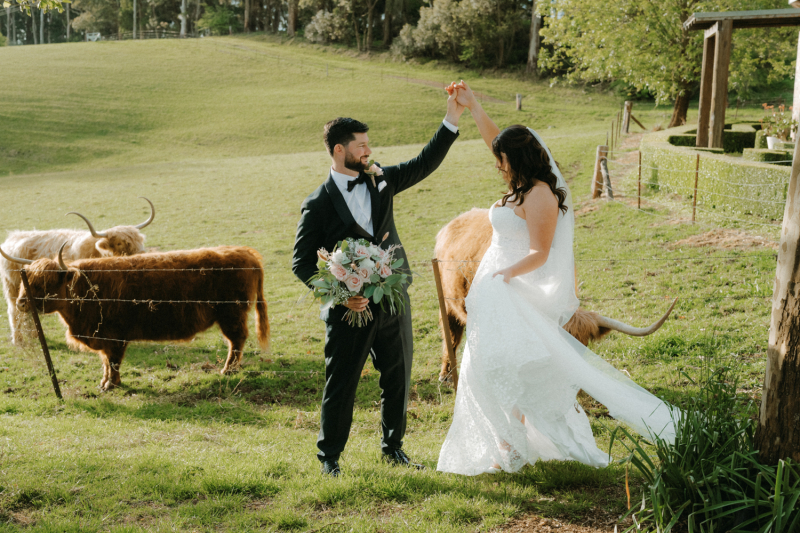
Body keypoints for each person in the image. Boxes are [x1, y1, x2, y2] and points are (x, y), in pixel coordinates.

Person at [437, 82, 676, 476]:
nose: (497, 164)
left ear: (517, 160)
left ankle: (510, 447)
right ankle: (507, 443)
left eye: (502, 160)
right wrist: (473, 106)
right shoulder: (519, 185)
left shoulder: (542, 195)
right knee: (484, 368)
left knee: (507, 367)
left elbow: (540, 253)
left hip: (512, 288)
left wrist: (504, 273)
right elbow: (494, 141)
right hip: (493, 292)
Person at [293, 87, 465, 477]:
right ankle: (329, 459)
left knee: (398, 378)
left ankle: (394, 448)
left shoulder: (380, 180)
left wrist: (451, 117)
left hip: (393, 301)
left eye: (369, 144)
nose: (368, 151)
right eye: (361, 145)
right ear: (339, 150)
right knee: (342, 385)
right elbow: (301, 263)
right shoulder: (317, 205)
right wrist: (339, 295)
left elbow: (424, 162)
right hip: (349, 311)